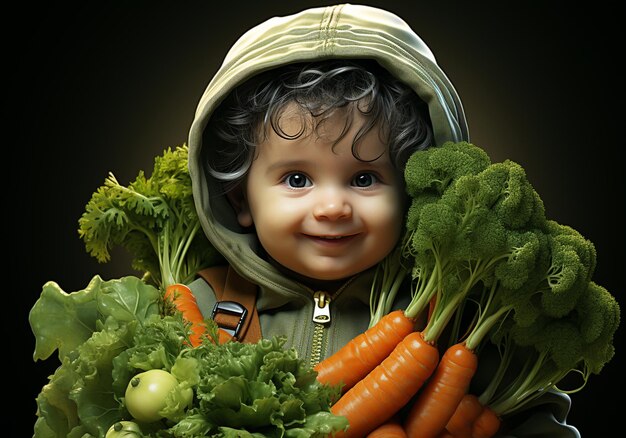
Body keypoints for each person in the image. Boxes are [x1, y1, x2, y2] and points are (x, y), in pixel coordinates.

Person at [185, 4, 579, 437]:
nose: (332, 207)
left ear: (414, 192)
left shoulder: (457, 324)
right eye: (297, 179)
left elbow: (537, 420)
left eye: (364, 177)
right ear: (241, 198)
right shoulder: (204, 308)